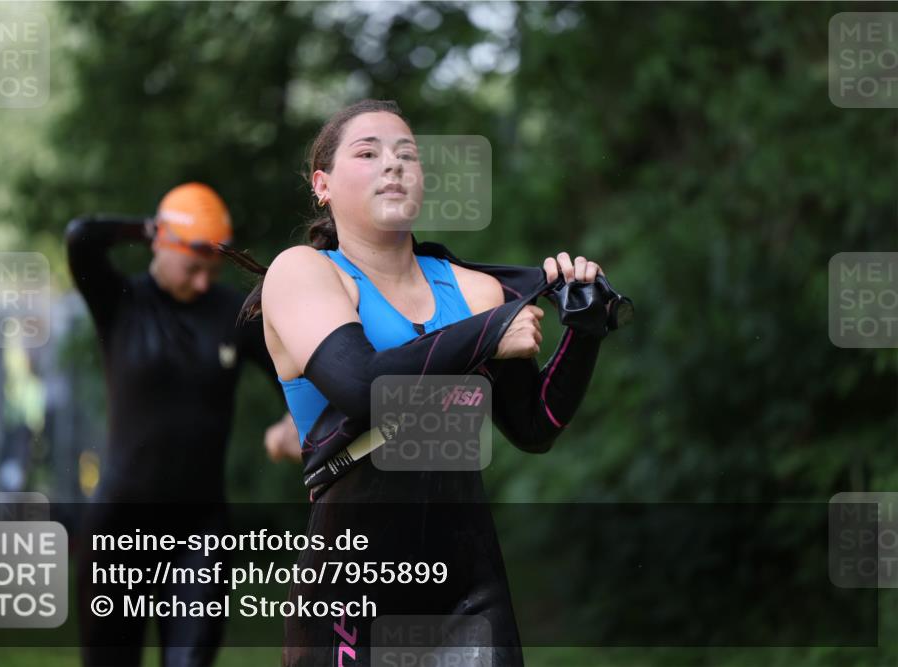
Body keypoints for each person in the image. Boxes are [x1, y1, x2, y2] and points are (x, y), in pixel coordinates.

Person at [224, 100, 616, 666]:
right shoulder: (304, 273)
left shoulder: (475, 291)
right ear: (322, 186)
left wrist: (585, 329)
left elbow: (536, 424)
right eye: (368, 153)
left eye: (407, 154)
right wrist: (488, 333)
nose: (393, 164)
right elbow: (362, 386)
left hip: (469, 588)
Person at [65, 182, 300, 667]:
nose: (203, 282)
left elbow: (295, 380)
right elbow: (81, 238)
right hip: (119, 528)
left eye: (212, 270)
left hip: (199, 531)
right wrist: (147, 226)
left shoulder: (233, 313)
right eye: (193, 267)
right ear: (161, 243)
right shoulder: (120, 301)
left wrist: (291, 424)